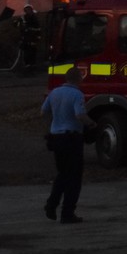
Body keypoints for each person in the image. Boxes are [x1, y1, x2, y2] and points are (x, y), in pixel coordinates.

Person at [41, 66, 94, 223]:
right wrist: (92, 124)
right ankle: (67, 212)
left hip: (56, 138)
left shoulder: (54, 92)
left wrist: (52, 125)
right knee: (74, 178)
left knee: (63, 174)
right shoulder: (77, 94)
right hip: (72, 139)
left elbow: (43, 111)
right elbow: (80, 114)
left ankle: (51, 205)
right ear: (79, 79)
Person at [20, 4, 41, 71]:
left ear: (31, 10)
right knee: (26, 51)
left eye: (29, 10)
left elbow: (38, 28)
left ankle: (33, 64)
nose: (28, 11)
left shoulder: (34, 18)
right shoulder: (23, 18)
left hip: (33, 38)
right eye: (26, 10)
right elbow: (19, 27)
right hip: (26, 38)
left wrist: (38, 37)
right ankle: (27, 65)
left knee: (33, 51)